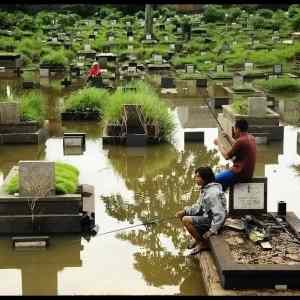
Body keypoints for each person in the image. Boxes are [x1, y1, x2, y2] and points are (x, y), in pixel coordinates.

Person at [176, 166, 226, 256]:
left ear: (205, 178)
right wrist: (185, 211)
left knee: (185, 220)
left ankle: (203, 243)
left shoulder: (212, 193)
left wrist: (211, 231)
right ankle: (197, 237)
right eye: (196, 176)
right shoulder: (206, 189)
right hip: (207, 217)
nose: (195, 179)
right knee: (184, 216)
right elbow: (198, 207)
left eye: (198, 176)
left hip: (213, 222)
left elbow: (220, 214)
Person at [214, 119, 256, 191]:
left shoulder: (241, 141)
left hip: (239, 174)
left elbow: (226, 156)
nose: (234, 131)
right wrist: (227, 136)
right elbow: (236, 145)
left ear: (238, 129)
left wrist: (219, 144)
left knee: (213, 180)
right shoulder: (251, 138)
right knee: (222, 179)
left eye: (234, 128)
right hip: (248, 174)